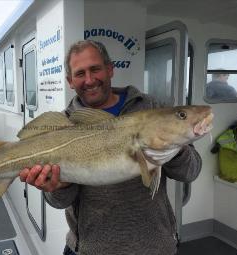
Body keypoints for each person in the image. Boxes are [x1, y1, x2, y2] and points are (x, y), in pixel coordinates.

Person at [19, 40, 202, 254]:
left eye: (95, 69)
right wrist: (58, 186)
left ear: (109, 69)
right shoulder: (64, 125)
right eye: (80, 73)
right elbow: (59, 202)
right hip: (91, 249)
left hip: (155, 246)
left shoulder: (150, 107)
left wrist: (176, 146)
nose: (89, 80)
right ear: (70, 81)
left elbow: (191, 171)